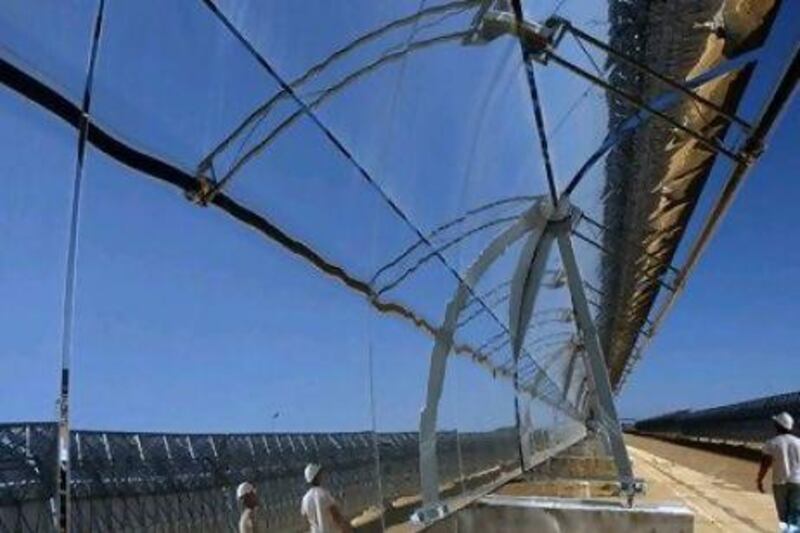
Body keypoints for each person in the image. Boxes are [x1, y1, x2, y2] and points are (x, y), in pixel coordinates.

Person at [757, 412, 800, 527]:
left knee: (783, 515)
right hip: (797, 482)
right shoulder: (798, 442)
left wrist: (759, 480)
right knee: (795, 512)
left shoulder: (771, 443)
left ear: (778, 426)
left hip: (780, 483)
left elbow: (765, 464)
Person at [301, 463, 352, 533]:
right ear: (317, 476)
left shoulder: (305, 499)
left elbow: (307, 521)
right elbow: (336, 517)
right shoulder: (324, 494)